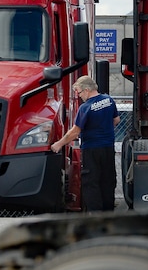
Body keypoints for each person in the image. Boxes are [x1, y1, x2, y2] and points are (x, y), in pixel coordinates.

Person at [51, 76, 120, 212]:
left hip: (91, 149)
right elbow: (116, 120)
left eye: (79, 92)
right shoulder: (109, 100)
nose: (79, 96)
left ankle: (96, 215)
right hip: (108, 147)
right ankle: (108, 213)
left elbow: (75, 132)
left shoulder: (86, 107)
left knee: (90, 182)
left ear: (87, 90)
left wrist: (58, 144)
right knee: (107, 181)